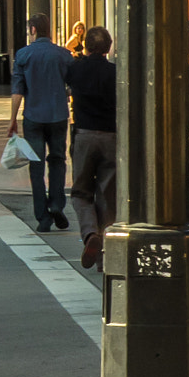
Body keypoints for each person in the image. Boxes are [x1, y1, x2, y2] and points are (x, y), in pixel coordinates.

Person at [9, 13, 75, 233]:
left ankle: (42, 217)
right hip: (58, 115)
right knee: (57, 161)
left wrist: (12, 120)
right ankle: (56, 204)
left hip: (33, 117)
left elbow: (18, 91)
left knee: (36, 166)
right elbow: (73, 85)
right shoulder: (64, 55)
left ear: (34, 29)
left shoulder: (23, 55)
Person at [66, 25, 116, 268]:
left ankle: (89, 233)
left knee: (81, 192)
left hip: (84, 135)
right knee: (107, 195)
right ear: (108, 47)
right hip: (111, 137)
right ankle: (104, 254)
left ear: (85, 45)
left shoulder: (76, 69)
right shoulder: (115, 72)